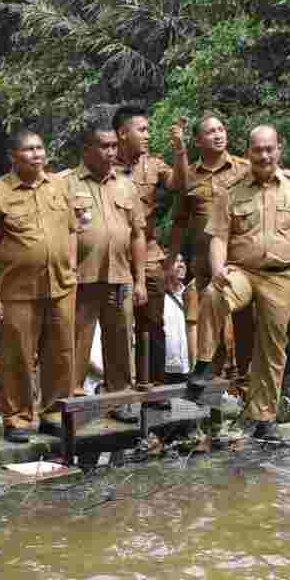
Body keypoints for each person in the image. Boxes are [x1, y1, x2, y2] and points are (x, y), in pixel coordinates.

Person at [189, 125, 290, 440]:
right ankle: (204, 364)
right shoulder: (232, 189)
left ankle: (263, 419)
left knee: (271, 349)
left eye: (269, 149)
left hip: (282, 276)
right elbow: (218, 237)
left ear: (279, 149)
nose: (264, 155)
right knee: (213, 294)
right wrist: (218, 269)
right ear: (248, 152)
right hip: (242, 271)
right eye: (257, 150)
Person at [0, 130, 77, 444]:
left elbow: (72, 229)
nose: (37, 154)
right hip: (17, 291)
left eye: (40, 148)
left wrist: (72, 266)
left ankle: (53, 415)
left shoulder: (59, 185)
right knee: (17, 356)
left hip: (60, 286)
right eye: (29, 149)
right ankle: (17, 418)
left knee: (60, 353)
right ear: (14, 156)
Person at [65, 121, 145, 422]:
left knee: (121, 339)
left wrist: (140, 280)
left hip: (119, 276)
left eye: (114, 146)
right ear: (87, 149)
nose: (111, 152)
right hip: (81, 278)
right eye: (104, 146)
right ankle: (72, 401)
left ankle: (119, 399)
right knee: (76, 341)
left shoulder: (126, 185)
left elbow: (137, 234)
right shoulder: (65, 184)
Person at [113, 104, 182, 403]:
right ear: (122, 133)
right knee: (117, 326)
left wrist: (180, 151)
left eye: (148, 129)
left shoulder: (153, 165)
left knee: (153, 322)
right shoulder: (106, 167)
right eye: (141, 129)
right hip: (116, 255)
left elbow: (180, 184)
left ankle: (156, 389)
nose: (147, 135)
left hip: (150, 252)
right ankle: (119, 392)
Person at [168, 113, 250, 290]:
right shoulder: (188, 176)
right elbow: (179, 222)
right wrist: (170, 262)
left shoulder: (245, 169)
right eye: (211, 132)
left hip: (242, 264)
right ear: (198, 141)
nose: (218, 135)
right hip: (204, 268)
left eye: (221, 130)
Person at [163, 257, 191, 383]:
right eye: (176, 261)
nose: (181, 265)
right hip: (165, 371)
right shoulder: (158, 298)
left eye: (183, 261)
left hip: (189, 369)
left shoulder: (192, 294)